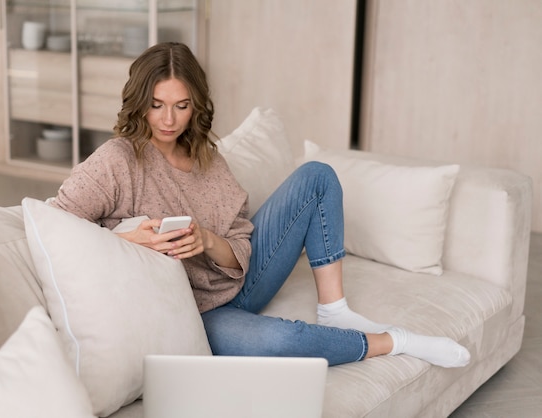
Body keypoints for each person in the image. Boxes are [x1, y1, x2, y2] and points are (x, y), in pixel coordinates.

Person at [50, 42, 470, 368]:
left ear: (196, 106)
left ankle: (335, 310)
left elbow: (240, 235)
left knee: (317, 176)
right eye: (156, 105)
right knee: (283, 341)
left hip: (241, 280)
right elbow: (54, 222)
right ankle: (396, 342)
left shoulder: (206, 157)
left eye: (181, 106)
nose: (168, 120)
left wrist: (208, 241)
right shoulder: (117, 160)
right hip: (196, 313)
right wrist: (129, 239)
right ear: (139, 101)